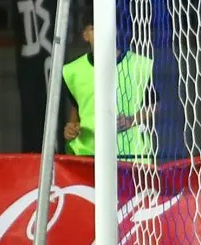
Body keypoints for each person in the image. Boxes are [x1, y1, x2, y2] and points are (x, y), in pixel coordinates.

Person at [62, 9, 155, 160]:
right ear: (85, 35)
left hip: (130, 156)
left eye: (105, 27)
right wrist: (71, 127)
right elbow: (77, 108)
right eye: (94, 29)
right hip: (87, 155)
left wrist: (131, 120)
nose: (101, 33)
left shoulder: (138, 65)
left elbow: (155, 104)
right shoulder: (73, 71)